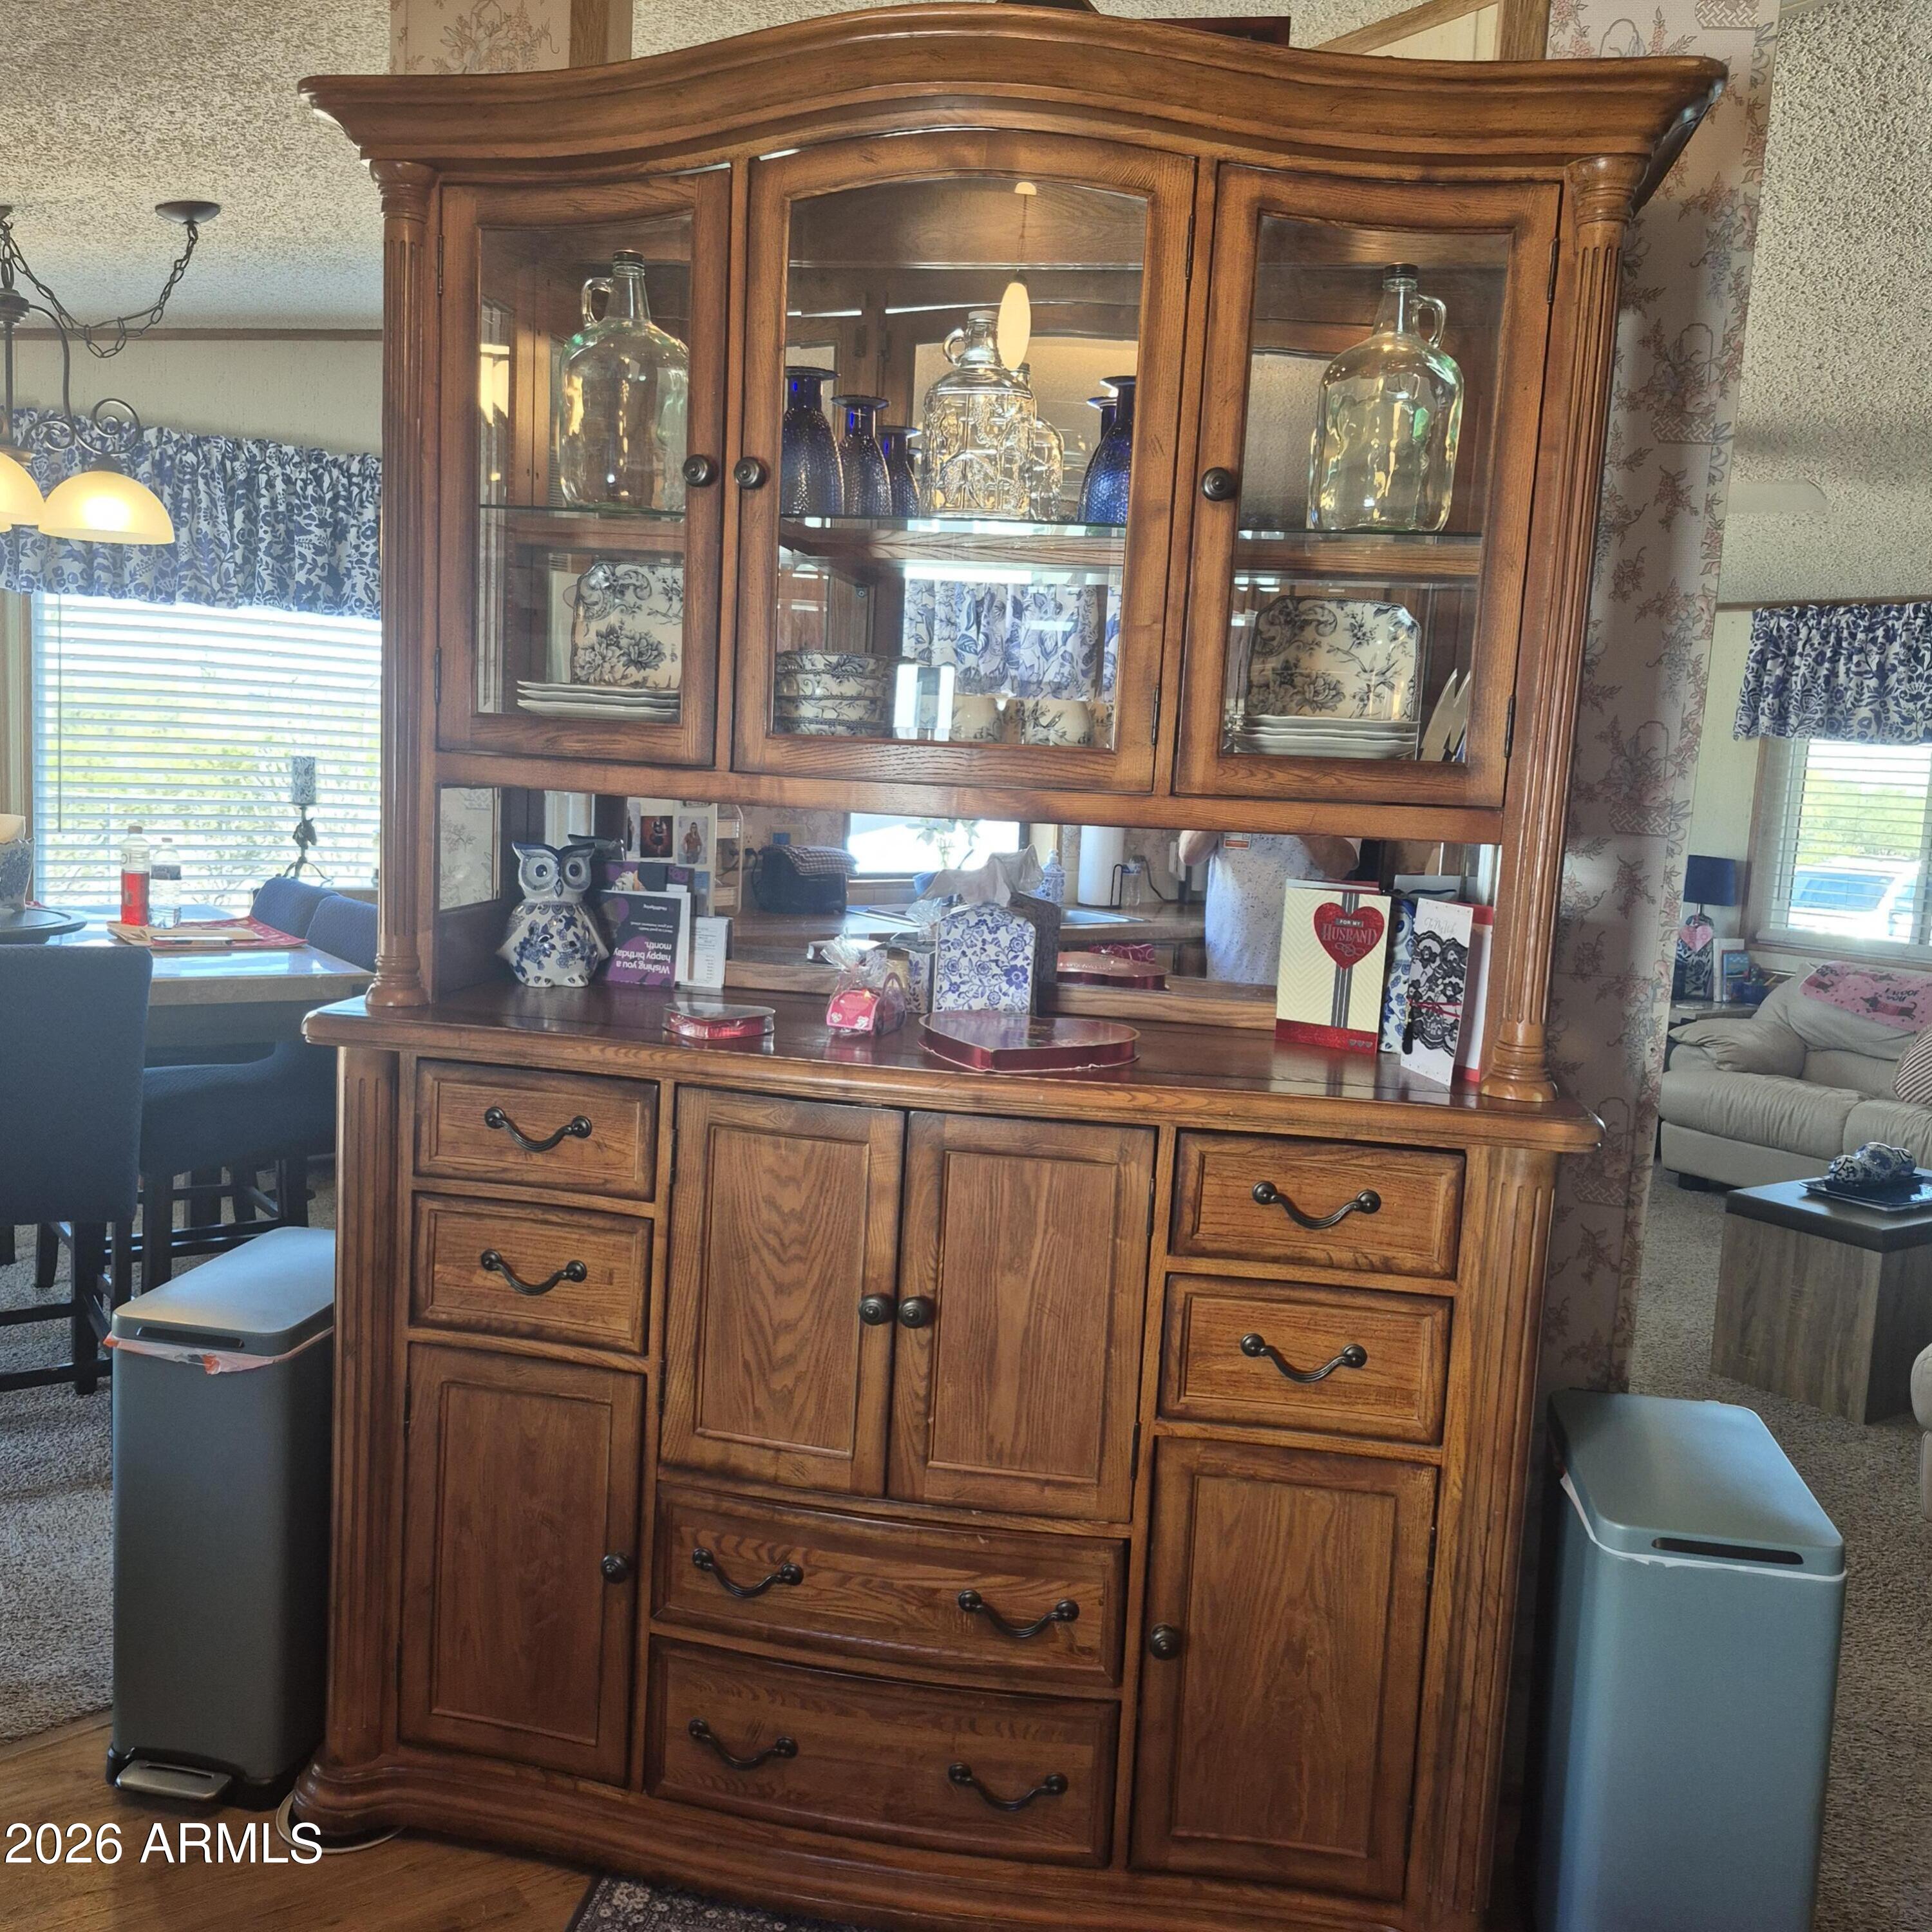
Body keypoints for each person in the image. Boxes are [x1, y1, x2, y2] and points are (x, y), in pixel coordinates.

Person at [1178, 831, 1360, 985]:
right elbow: (1189, 853)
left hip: (1301, 974)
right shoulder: (1220, 792)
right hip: (1228, 967)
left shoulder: (1338, 795)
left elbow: (1340, 866)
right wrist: (1225, 800)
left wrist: (1293, 809)